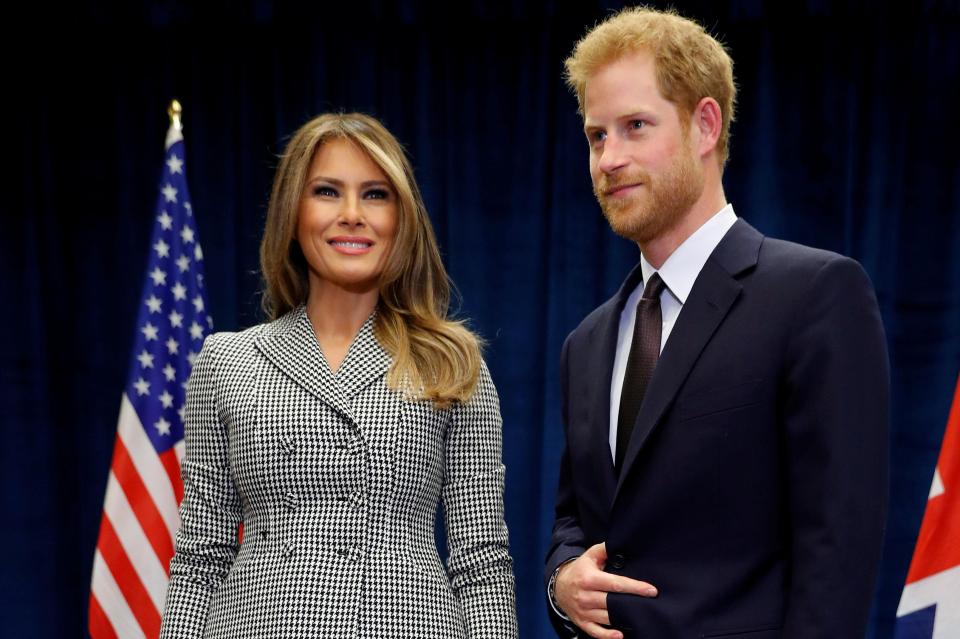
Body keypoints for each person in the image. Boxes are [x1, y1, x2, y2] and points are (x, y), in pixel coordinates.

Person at [544, 8, 889, 639]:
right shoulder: (586, 343)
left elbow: (837, 549)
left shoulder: (815, 293)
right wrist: (563, 583)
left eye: (635, 127)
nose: (608, 159)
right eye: (596, 136)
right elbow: (575, 522)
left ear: (705, 125)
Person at [160, 112, 518, 638]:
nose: (352, 215)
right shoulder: (225, 361)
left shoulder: (453, 365)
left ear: (402, 217)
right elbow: (201, 556)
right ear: (293, 212)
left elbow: (481, 561)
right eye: (328, 191)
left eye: (375, 195)